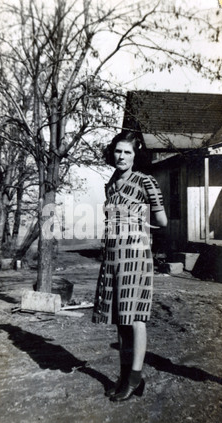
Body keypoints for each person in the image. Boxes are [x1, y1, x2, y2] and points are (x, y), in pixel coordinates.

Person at [92, 130, 167, 402]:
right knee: (120, 320)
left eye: (127, 152)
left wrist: (136, 222)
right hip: (113, 253)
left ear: (136, 156)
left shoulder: (145, 181)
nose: (121, 156)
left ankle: (134, 378)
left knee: (135, 318)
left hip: (135, 253)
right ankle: (125, 376)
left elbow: (162, 221)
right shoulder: (110, 184)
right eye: (118, 151)